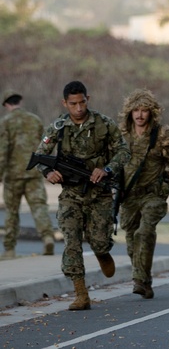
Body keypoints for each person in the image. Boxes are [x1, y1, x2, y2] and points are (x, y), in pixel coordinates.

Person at [36, 81, 129, 311]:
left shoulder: (104, 124)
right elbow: (40, 155)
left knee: (98, 240)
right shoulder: (58, 127)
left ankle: (102, 251)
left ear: (88, 98)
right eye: (73, 104)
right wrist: (48, 172)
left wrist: (106, 169)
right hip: (70, 194)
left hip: (100, 193)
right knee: (72, 242)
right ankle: (81, 293)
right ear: (64, 103)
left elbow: (124, 151)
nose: (78, 108)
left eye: (82, 102)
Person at [118, 89, 169, 299]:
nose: (140, 115)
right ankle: (144, 280)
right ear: (130, 112)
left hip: (153, 195)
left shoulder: (162, 136)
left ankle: (138, 280)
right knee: (131, 242)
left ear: (151, 113)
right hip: (128, 196)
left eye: (145, 111)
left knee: (144, 232)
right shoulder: (121, 137)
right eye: (136, 110)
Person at [1, 90, 55, 259]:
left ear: (8, 105)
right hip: (34, 172)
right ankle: (47, 238)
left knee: (11, 211)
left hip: (13, 175)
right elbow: (46, 144)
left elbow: (2, 150)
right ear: (20, 102)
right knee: (39, 207)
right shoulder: (35, 120)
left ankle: (9, 249)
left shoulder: (5, 122)